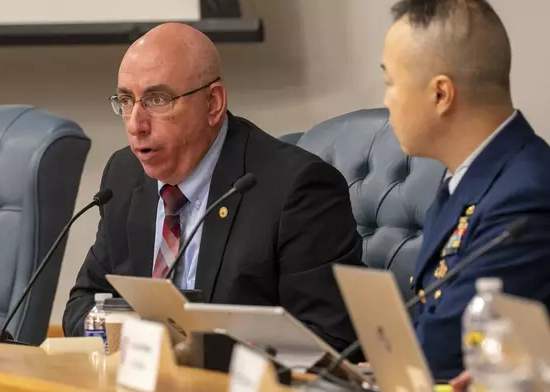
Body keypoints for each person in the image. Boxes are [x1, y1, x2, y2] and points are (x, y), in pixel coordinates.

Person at [62, 22, 366, 359]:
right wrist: (140, 342)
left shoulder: (297, 189)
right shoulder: (125, 176)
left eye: (157, 99)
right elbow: (85, 304)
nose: (136, 124)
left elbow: (329, 340)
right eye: (126, 101)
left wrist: (200, 354)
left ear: (213, 104)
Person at [383, 0, 550, 382]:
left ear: (441, 94)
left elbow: (446, 350)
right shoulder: (469, 178)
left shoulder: (525, 197)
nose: (385, 100)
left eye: (390, 82)